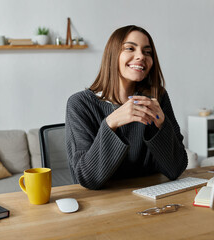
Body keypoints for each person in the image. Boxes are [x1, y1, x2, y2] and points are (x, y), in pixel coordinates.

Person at [65, 25, 188, 190]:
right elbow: (88, 179)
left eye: (147, 52)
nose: (140, 56)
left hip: (152, 198)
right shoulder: (80, 104)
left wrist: (161, 126)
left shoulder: (158, 98)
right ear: (113, 54)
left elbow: (176, 170)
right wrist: (111, 123)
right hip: (103, 205)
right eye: (130, 48)